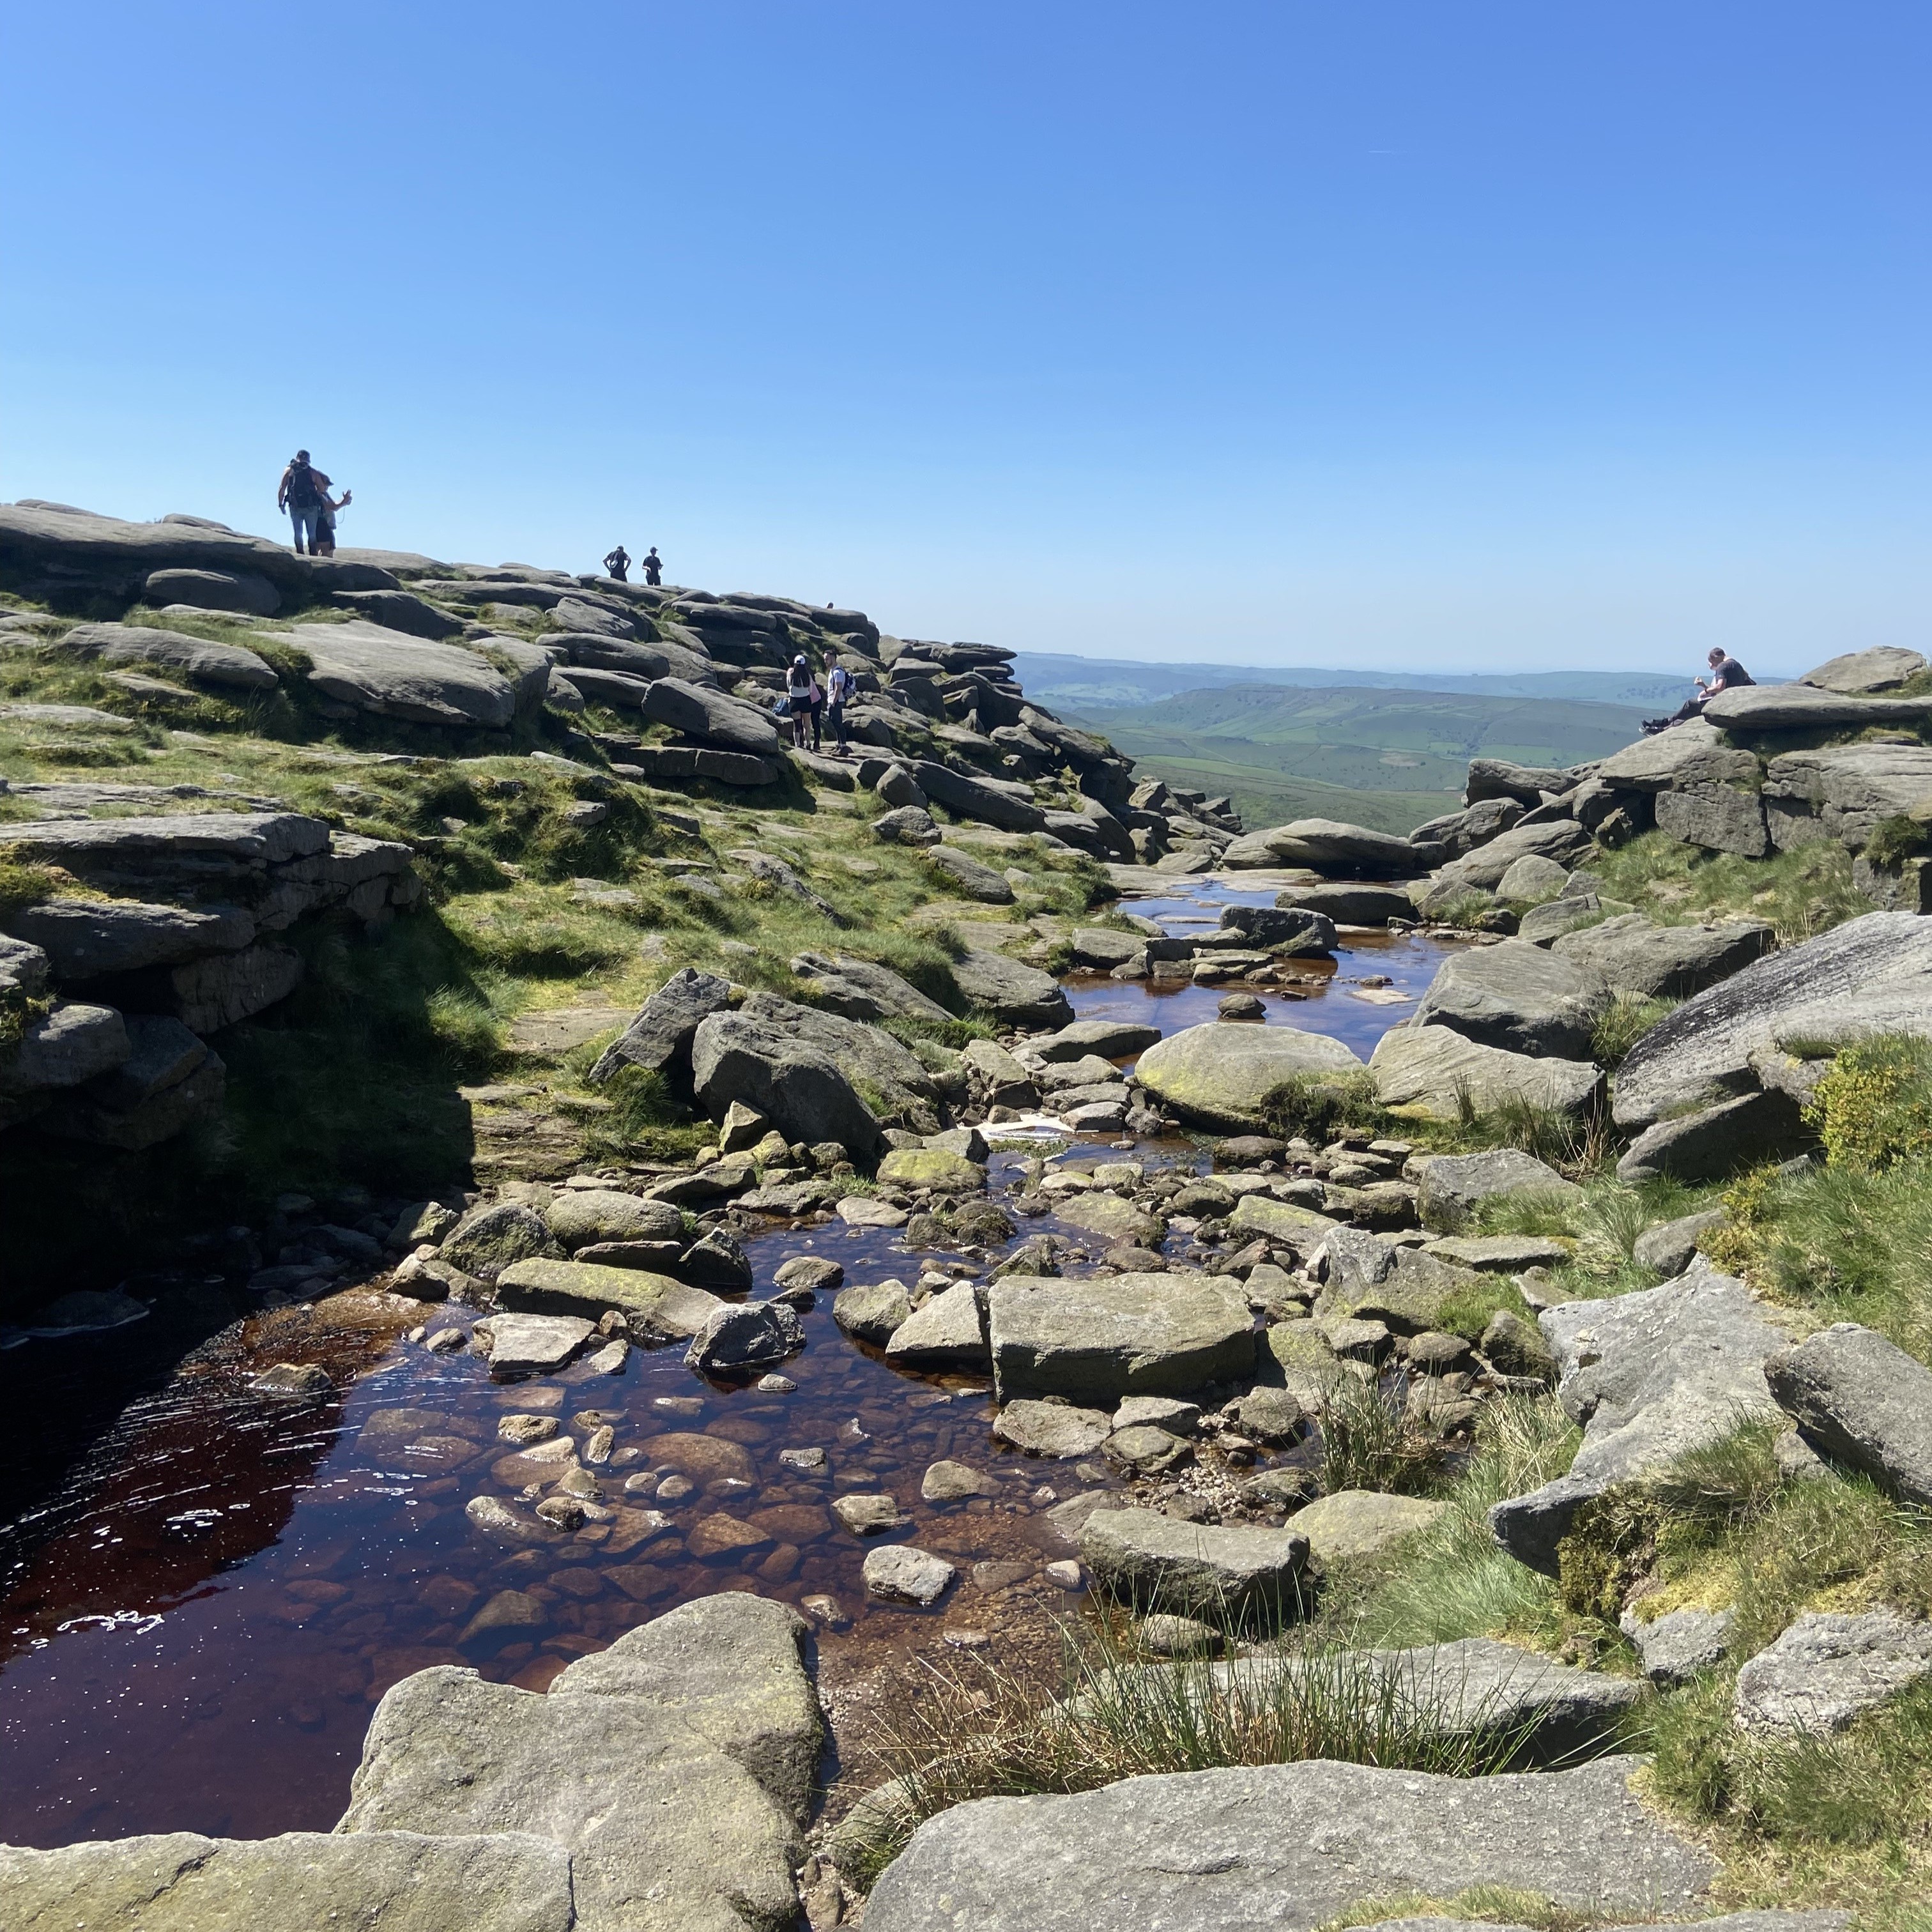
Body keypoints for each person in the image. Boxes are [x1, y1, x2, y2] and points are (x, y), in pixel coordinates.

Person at [1643, 648, 1756, 732]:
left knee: (1691, 705)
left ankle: (1664, 727)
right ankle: (1664, 726)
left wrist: (1706, 690)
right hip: (1732, 702)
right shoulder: (1736, 665)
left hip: (1721, 703)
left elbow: (1720, 688)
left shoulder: (1723, 666)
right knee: (1692, 712)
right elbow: (1750, 683)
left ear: (1716, 658)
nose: (1711, 664)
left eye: (1711, 661)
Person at [277, 450, 331, 554]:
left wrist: (281, 504)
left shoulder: (289, 471)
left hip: (295, 507)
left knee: (298, 533)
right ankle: (312, 555)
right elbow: (322, 489)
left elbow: (282, 488)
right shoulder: (312, 472)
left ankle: (300, 554)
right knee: (311, 534)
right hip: (310, 508)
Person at [824, 652, 855, 754]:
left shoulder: (837, 672)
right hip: (835, 701)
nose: (826, 661)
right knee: (835, 723)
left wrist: (833, 702)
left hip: (837, 701)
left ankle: (843, 746)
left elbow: (838, 688)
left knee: (838, 723)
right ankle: (839, 745)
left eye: (827, 659)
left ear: (833, 658)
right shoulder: (833, 671)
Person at [786, 654, 818, 750]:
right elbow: (811, 690)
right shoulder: (808, 676)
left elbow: (788, 686)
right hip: (805, 700)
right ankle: (808, 743)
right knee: (807, 725)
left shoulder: (791, 675)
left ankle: (798, 744)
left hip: (794, 700)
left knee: (797, 724)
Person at [312, 484, 351, 557]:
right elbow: (333, 507)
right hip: (324, 527)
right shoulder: (320, 495)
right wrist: (344, 502)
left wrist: (344, 502)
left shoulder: (324, 494)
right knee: (327, 552)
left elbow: (334, 505)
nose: (327, 486)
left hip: (323, 527)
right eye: (326, 484)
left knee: (324, 550)